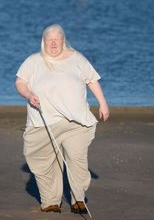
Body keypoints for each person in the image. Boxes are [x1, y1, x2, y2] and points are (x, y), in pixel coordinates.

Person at [15, 24, 110, 214]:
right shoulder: (33, 61)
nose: (53, 42)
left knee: (77, 160)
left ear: (63, 40)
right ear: (43, 41)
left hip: (76, 123)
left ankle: (78, 199)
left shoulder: (77, 58)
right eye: (49, 39)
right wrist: (28, 94)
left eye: (57, 39)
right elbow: (20, 82)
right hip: (44, 123)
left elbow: (91, 79)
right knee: (45, 163)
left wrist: (103, 103)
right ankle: (51, 201)